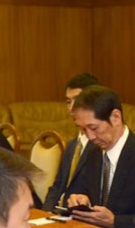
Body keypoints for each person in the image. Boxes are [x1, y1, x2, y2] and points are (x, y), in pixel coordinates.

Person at [66, 85, 135, 228]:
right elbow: (90, 194)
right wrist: (83, 201)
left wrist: (115, 221)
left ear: (115, 117)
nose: (90, 136)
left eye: (94, 128)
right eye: (83, 129)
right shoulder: (93, 154)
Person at [42, 72, 100, 211]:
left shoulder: (100, 145)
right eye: (68, 102)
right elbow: (57, 187)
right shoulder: (72, 145)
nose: (71, 108)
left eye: (78, 101)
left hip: (79, 216)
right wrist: (46, 214)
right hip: (57, 215)